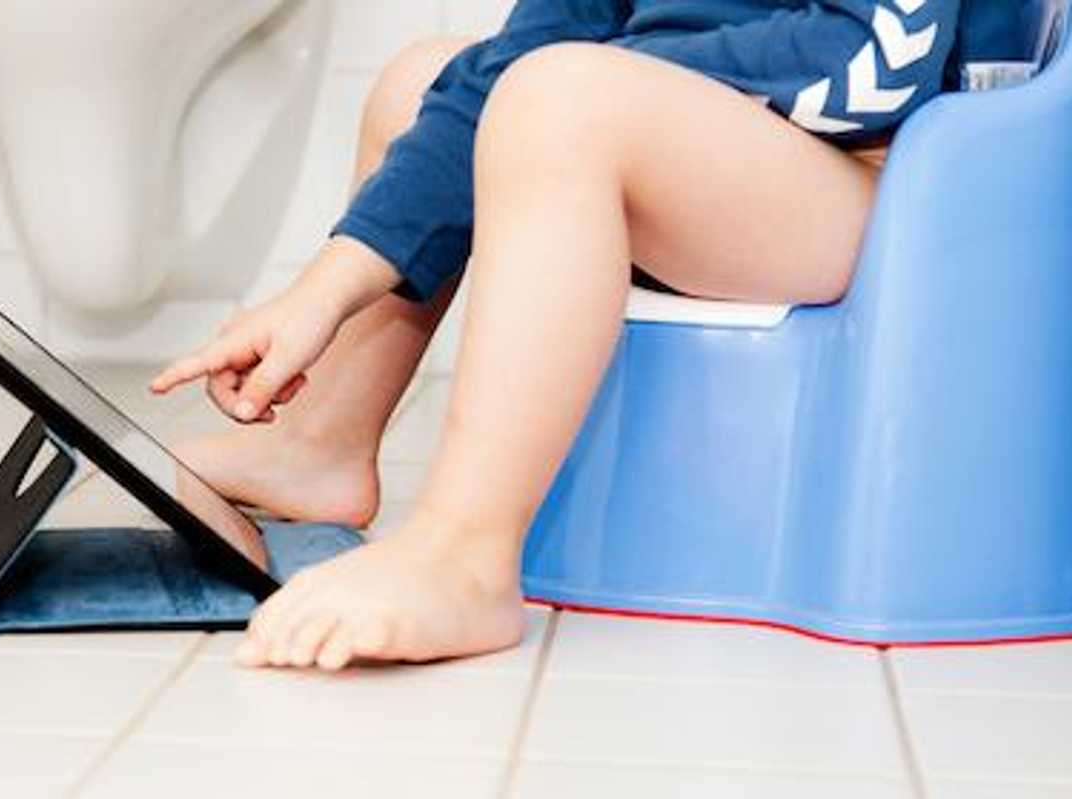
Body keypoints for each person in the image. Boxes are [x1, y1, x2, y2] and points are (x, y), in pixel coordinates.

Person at [151, 0, 960, 671]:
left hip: (880, 172)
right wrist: (322, 286)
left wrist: (606, 75)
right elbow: (533, 44)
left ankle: (466, 553)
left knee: (555, 96)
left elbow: (877, 58)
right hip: (716, 138)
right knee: (422, 84)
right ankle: (321, 444)